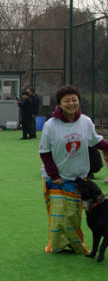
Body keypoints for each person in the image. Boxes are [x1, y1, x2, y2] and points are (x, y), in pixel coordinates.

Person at [39, 85, 108, 254]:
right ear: (60, 104)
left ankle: (75, 245)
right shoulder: (51, 125)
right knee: (58, 216)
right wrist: (54, 175)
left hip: (78, 179)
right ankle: (56, 245)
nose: (71, 103)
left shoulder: (85, 121)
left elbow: (95, 140)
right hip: (55, 178)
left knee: (72, 216)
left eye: (74, 100)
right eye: (66, 100)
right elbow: (44, 152)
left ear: (78, 101)